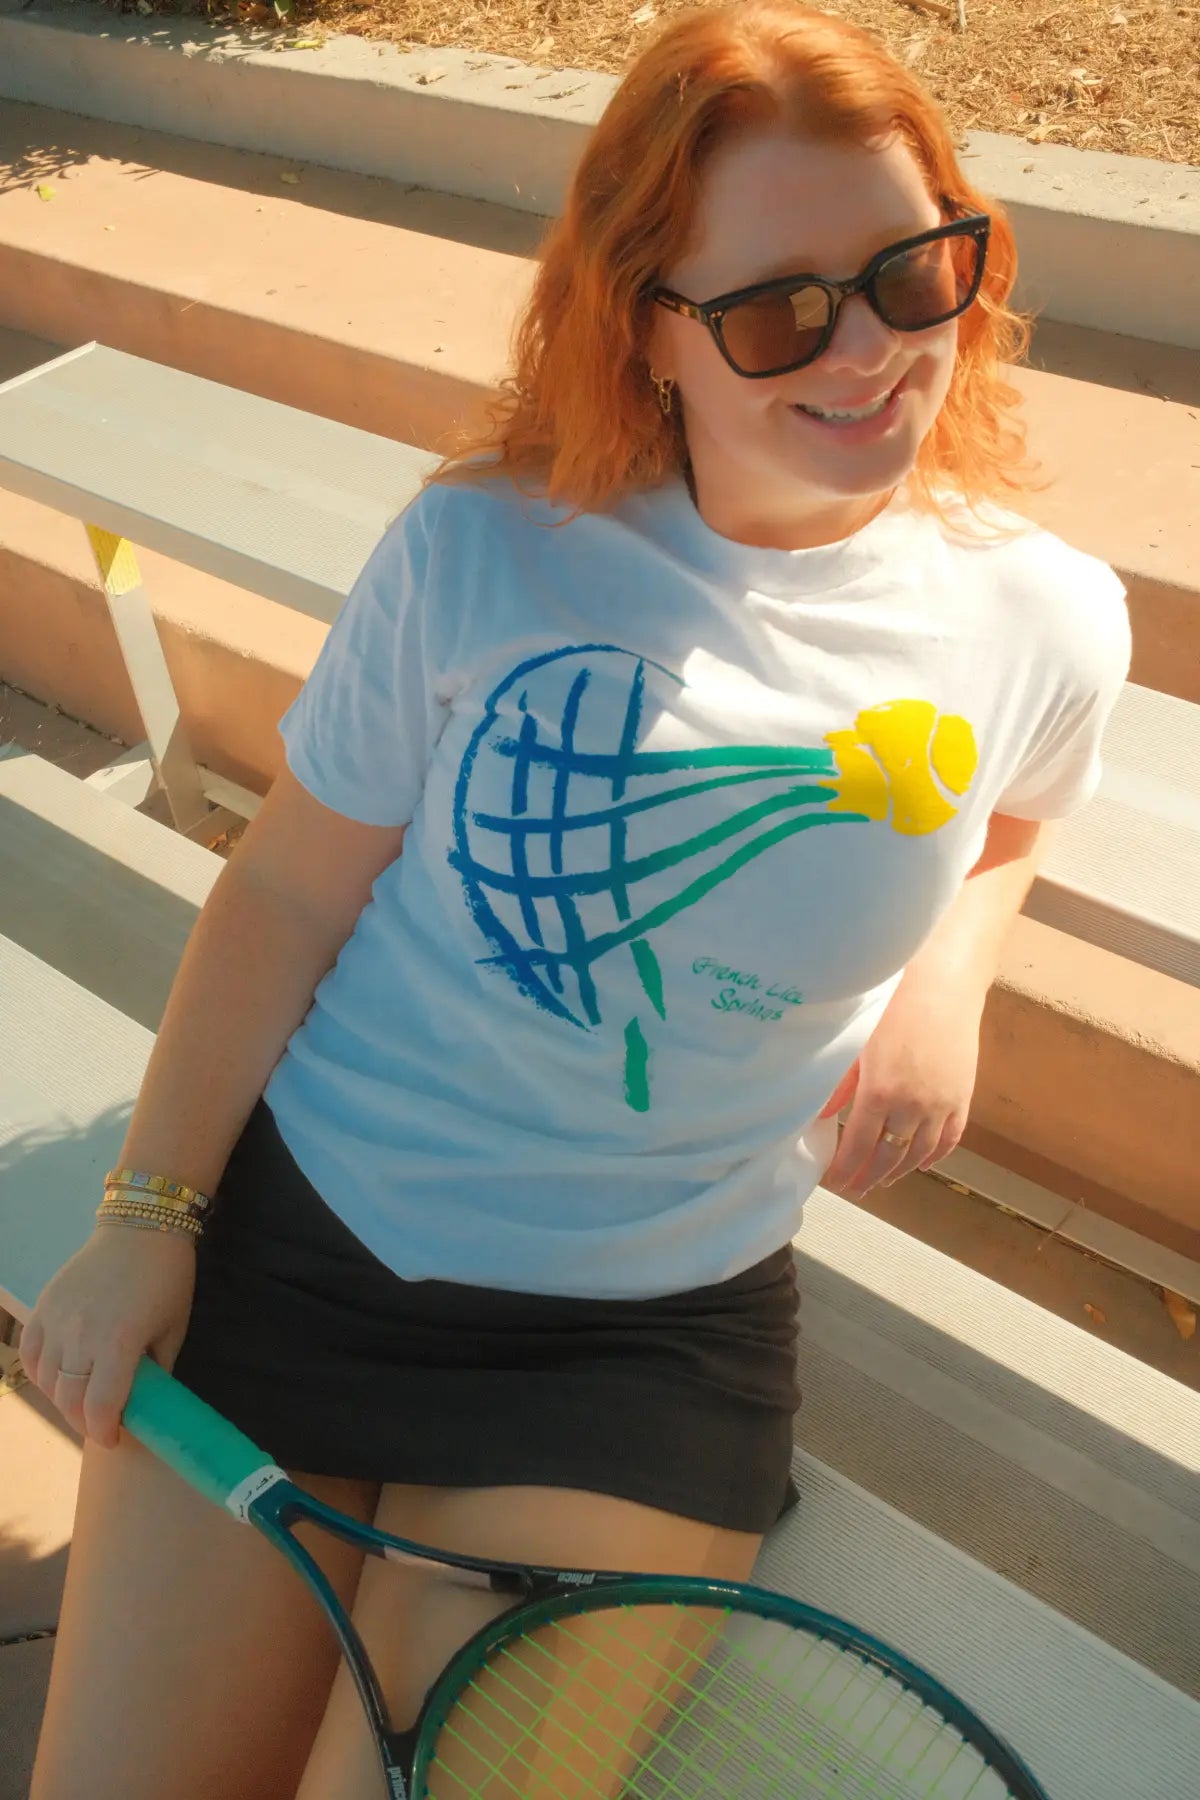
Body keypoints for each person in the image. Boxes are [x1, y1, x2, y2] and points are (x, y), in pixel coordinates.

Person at [23, 3, 1130, 1795]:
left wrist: (951, 973)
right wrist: (150, 1217)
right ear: (648, 324)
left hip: (638, 1343)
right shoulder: (484, 548)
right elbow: (289, 886)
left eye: (912, 271)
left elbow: (1015, 813)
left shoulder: (1044, 619)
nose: (869, 352)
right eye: (779, 311)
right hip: (303, 1243)